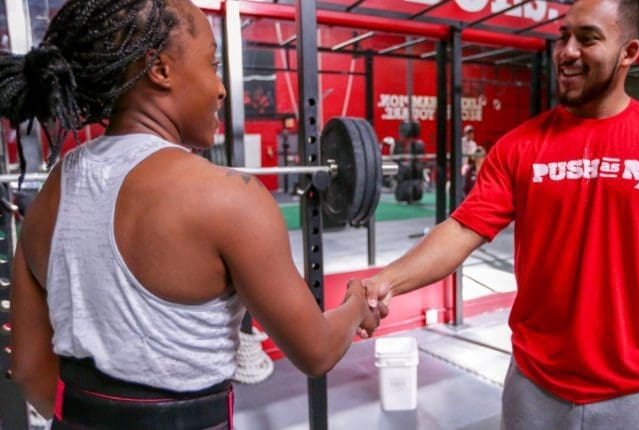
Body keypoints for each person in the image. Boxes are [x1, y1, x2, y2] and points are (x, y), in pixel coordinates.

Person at [361, 0, 639, 429]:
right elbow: (460, 230)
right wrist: (386, 281)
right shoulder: (519, 147)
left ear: (629, 52)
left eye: (588, 39)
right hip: (536, 389)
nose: (567, 51)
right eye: (564, 36)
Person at [1, 1, 381, 428]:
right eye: (212, 65)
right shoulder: (230, 199)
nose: (220, 89)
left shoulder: (51, 193)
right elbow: (317, 351)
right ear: (159, 69)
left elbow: (28, 368)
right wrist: (356, 304)